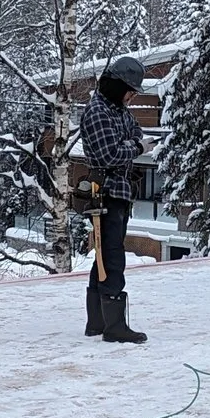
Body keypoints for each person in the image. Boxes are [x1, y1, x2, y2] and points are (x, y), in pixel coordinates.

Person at [79, 55, 149, 343]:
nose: (132, 97)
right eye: (131, 91)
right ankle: (114, 326)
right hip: (105, 194)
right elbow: (109, 155)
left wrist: (131, 144)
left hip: (119, 193)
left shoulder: (117, 109)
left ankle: (98, 322)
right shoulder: (98, 112)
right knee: (112, 258)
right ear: (118, 86)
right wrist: (135, 148)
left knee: (105, 258)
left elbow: (135, 134)